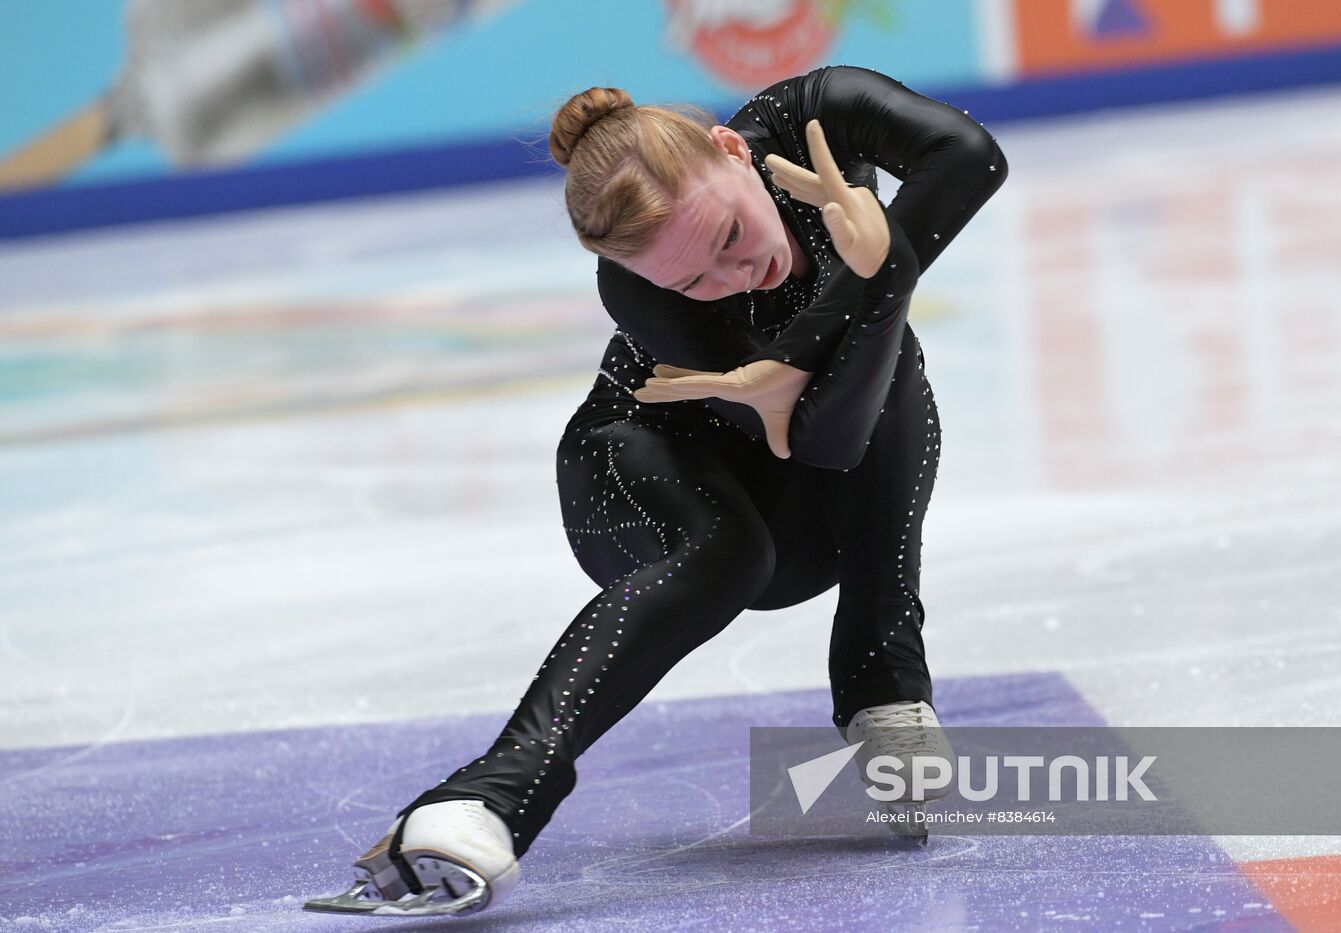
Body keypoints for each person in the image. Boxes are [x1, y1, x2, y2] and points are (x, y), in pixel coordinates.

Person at [305, 64, 1007, 918]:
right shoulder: (635, 290)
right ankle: (484, 799)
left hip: (797, 498)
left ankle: (882, 681)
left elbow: (971, 155)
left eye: (726, 237)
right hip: (637, 474)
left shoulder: (818, 116)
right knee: (731, 548)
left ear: (731, 151)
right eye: (695, 282)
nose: (735, 275)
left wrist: (853, 292)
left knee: (895, 365)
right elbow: (821, 437)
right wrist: (881, 271)